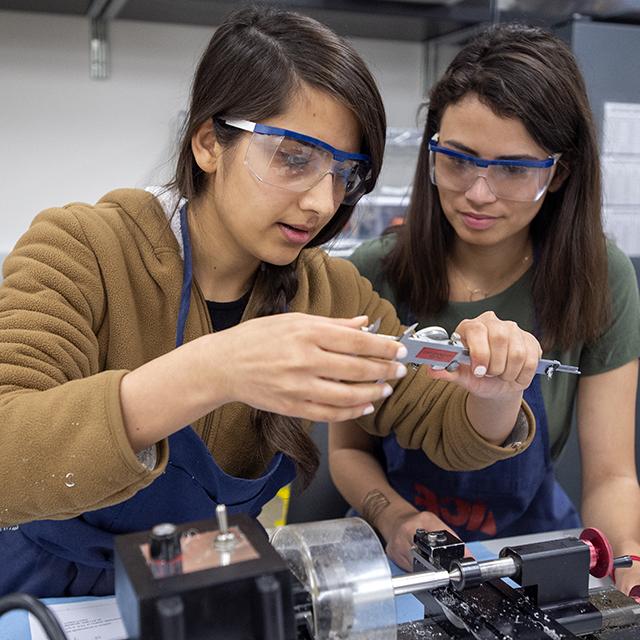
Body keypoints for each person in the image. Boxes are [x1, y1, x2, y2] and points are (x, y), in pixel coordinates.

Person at [0, 8, 543, 598]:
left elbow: (432, 417)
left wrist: (497, 393)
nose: (321, 201)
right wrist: (214, 369)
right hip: (46, 589)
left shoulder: (326, 293)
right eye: (294, 157)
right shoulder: (84, 250)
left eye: (344, 173)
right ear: (210, 143)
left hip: (199, 584)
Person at [329, 23, 640, 593]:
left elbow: (613, 475)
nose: (477, 192)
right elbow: (347, 450)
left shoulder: (601, 277)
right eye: (458, 159)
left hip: (534, 550)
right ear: (431, 151)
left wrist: (624, 566)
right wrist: (393, 518)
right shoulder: (373, 272)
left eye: (514, 170)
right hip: (400, 559)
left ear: (559, 173)